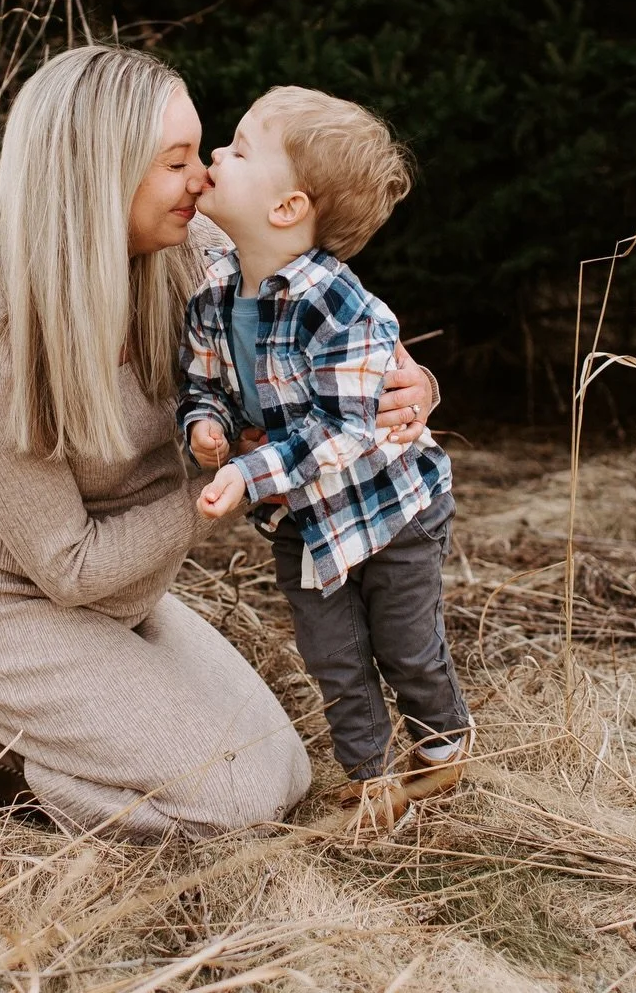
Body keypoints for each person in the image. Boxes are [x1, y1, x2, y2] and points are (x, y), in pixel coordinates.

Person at [0, 46, 438, 840]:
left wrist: (413, 386)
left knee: (284, 770)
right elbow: (71, 568)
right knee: (233, 805)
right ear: (96, 174)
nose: (203, 178)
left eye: (202, 151)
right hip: (1, 606)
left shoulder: (198, 252)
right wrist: (236, 479)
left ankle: (42, 729)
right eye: (175, 161)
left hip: (129, 590)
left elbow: (340, 320)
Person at [179, 86, 471, 832]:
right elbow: (203, 384)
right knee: (334, 659)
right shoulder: (213, 290)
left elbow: (344, 428)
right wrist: (205, 428)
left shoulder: (339, 307)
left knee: (404, 647)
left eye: (238, 149)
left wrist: (247, 472)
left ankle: (442, 743)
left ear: (286, 208)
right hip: (306, 522)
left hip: (389, 509)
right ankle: (371, 781)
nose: (217, 154)